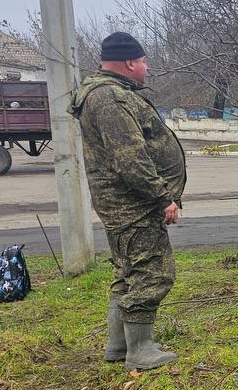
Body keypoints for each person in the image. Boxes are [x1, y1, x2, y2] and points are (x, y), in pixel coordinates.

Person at [70, 32, 186, 369]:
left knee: (128, 271)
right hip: (131, 204)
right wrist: (163, 196)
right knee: (152, 271)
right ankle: (140, 350)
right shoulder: (110, 98)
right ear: (131, 62)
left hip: (123, 202)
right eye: (145, 61)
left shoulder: (107, 94)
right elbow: (130, 159)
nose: (147, 67)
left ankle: (119, 345)